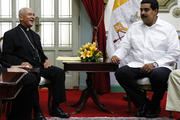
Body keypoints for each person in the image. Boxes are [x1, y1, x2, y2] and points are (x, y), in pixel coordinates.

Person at [111, 0, 180, 118]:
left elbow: (174, 52)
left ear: (155, 11)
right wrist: (117, 55)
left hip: (160, 66)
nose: (142, 13)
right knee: (121, 73)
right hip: (138, 64)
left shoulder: (168, 28)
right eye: (141, 9)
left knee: (158, 75)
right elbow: (124, 46)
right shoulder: (134, 27)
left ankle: (154, 105)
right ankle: (144, 104)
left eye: (146, 10)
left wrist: (155, 64)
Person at [1, 8, 70, 120]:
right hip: (23, 68)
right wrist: (20, 63)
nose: (33, 17)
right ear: (21, 17)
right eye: (29, 15)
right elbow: (6, 56)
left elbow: (40, 54)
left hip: (38, 66)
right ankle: (37, 110)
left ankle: (55, 107)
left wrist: (45, 60)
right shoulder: (10, 34)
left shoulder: (35, 35)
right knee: (32, 77)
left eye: (33, 15)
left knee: (59, 73)